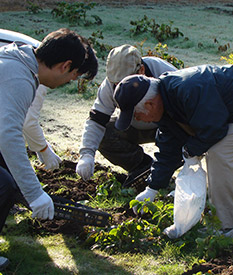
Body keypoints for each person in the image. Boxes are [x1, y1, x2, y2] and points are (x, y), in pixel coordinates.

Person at [113, 64, 233, 238]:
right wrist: (152, 189)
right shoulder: (166, 103)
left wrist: (190, 151)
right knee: (214, 151)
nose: (137, 119)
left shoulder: (188, 89)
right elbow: (168, 150)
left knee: (221, 155)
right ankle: (218, 213)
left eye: (136, 115)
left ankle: (231, 227)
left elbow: (214, 129)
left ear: (150, 104)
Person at [0, 28, 98, 271]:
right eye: (74, 75)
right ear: (66, 66)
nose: (69, 82)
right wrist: (35, 194)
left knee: (8, 178)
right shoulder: (18, 78)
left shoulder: (18, 61)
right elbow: (10, 136)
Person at [76, 44, 177, 186]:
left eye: (124, 82)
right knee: (105, 133)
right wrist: (86, 154)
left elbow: (187, 112)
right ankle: (142, 167)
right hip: (137, 127)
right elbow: (96, 119)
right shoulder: (109, 85)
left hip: (171, 125)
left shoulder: (164, 73)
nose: (119, 87)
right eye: (116, 84)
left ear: (141, 70)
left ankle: (173, 175)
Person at [0, 26, 61, 170]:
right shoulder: (38, 71)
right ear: (65, 66)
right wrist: (44, 150)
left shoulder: (41, 55)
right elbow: (28, 121)